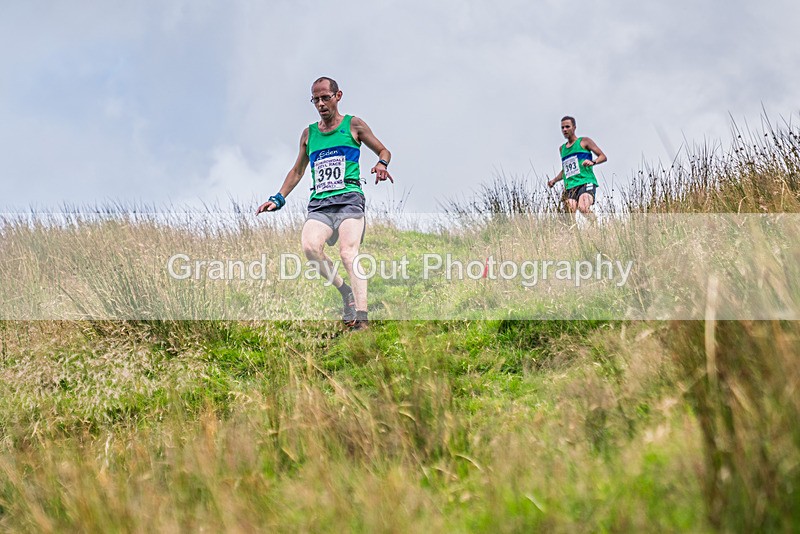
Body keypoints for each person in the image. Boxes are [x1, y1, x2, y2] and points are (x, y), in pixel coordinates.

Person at [256, 77, 393, 331]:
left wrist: (381, 165)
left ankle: (361, 319)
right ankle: (345, 292)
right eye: (315, 99)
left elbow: (384, 150)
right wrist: (278, 198)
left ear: (338, 96)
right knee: (310, 248)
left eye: (325, 98)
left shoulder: (354, 125)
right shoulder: (309, 134)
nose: (320, 104)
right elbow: (297, 171)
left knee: (347, 253)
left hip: (349, 198)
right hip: (320, 204)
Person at [547, 116, 607, 221]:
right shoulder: (562, 149)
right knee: (569, 212)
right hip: (570, 185)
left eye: (567, 127)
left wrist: (593, 162)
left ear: (574, 127)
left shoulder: (584, 141)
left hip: (585, 181)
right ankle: (573, 235)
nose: (564, 129)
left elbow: (603, 156)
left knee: (583, 208)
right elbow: (565, 170)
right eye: (562, 128)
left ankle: (595, 224)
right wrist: (554, 180)